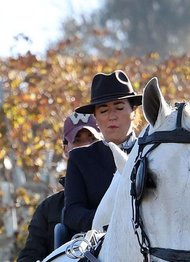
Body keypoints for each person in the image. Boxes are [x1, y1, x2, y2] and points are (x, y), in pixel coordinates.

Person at [16, 113, 99, 262]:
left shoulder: (120, 195)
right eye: (77, 141)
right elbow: (30, 258)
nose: (85, 146)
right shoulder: (48, 209)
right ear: (65, 150)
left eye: (92, 139)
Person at [60, 70, 144, 236]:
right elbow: (72, 211)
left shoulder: (150, 153)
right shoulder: (80, 158)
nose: (112, 116)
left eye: (119, 108)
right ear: (96, 118)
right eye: (103, 111)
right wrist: (110, 222)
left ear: (133, 112)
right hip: (99, 243)